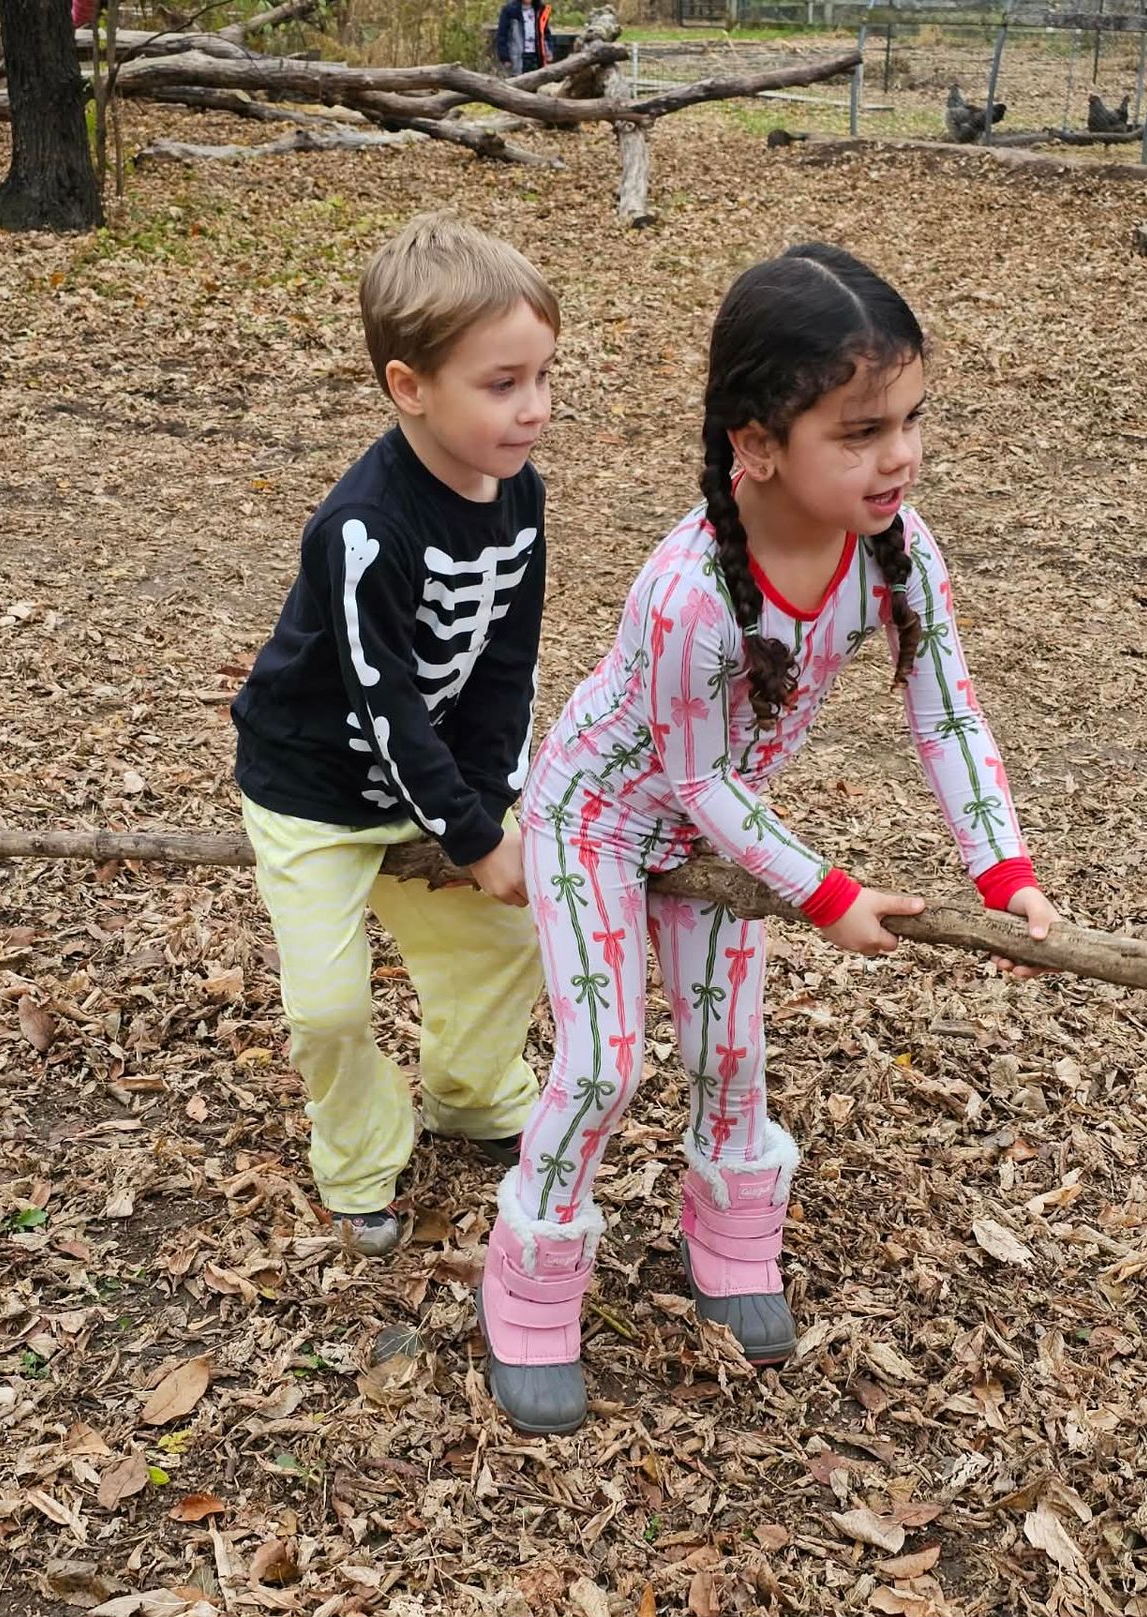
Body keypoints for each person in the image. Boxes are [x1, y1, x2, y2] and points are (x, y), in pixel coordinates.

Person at [478, 243, 1058, 1432]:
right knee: (602, 1064)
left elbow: (945, 706)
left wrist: (1000, 869)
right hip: (600, 815)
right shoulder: (689, 594)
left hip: (724, 836)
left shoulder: (900, 552)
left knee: (731, 1053)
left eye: (909, 420)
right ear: (755, 446)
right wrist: (825, 890)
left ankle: (731, 1236)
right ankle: (531, 1278)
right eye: (859, 431)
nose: (898, 455)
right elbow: (695, 779)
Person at [230, 214, 559, 1257]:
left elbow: (508, 664)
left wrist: (490, 805)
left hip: (438, 785)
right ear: (409, 387)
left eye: (543, 377)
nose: (533, 409)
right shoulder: (364, 529)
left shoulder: (519, 496)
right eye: (501, 385)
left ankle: (469, 1092)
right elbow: (384, 705)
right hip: (313, 792)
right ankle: (363, 1157)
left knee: (506, 944)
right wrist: (470, 835)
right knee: (329, 1009)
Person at [495, 0, 552, 76]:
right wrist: (505, 57)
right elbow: (502, 36)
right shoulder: (510, 10)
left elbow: (546, 34)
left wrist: (548, 51)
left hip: (537, 57)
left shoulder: (540, 10)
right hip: (517, 57)